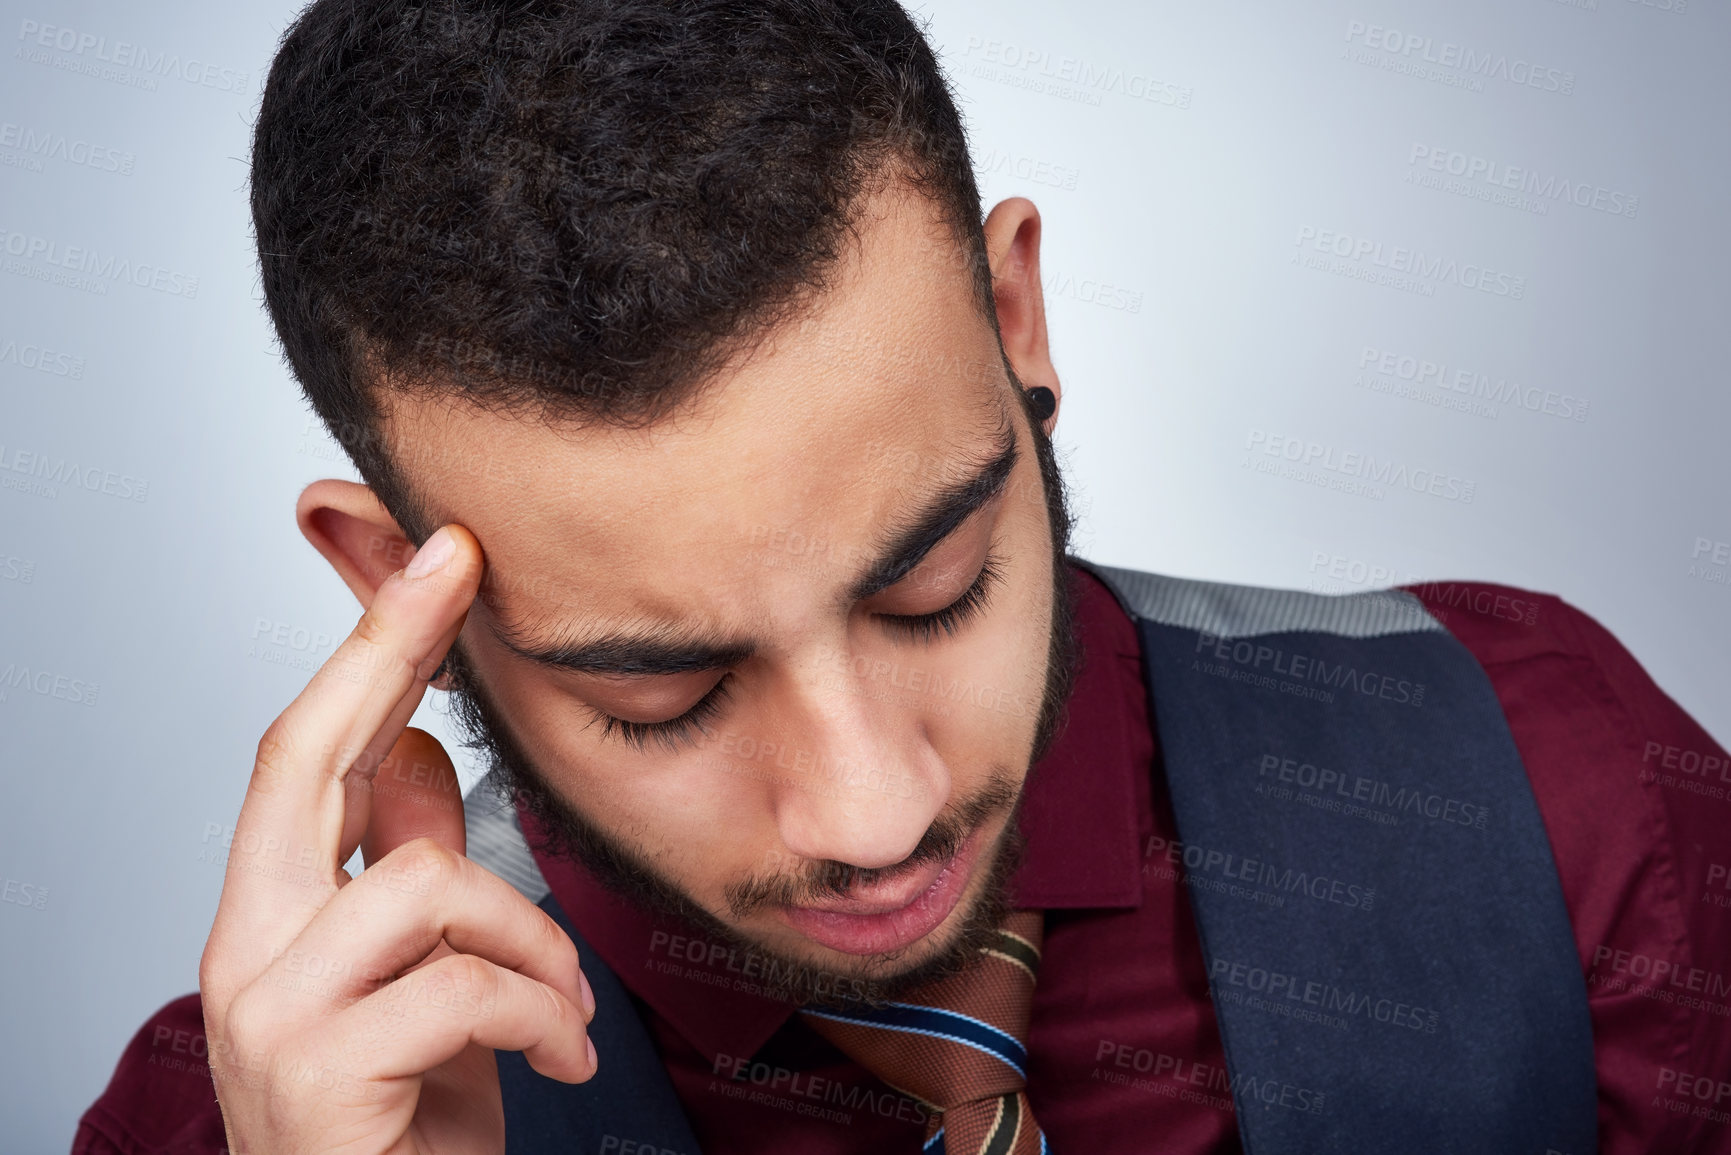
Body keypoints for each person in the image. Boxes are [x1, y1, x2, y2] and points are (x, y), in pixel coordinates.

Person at [75, 1, 1731, 1153]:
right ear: (394, 588)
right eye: (665, 690)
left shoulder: (1566, 797)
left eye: (933, 585)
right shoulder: (230, 1122)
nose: (871, 816)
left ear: (1018, 323)